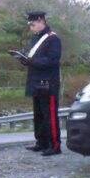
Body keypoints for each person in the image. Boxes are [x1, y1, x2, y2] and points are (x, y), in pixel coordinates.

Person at [19, 11, 62, 156]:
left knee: (50, 115)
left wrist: (32, 61)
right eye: (30, 25)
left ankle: (55, 145)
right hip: (35, 81)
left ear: (41, 21)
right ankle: (41, 142)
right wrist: (25, 59)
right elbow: (34, 59)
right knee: (38, 115)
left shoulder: (52, 39)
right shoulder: (36, 39)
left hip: (48, 83)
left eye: (33, 24)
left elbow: (52, 61)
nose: (31, 27)